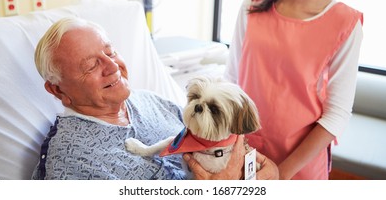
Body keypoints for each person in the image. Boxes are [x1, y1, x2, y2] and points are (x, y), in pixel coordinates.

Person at [31, 17, 278, 180]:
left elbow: (262, 167)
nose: (112, 66)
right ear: (58, 91)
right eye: (91, 66)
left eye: (110, 52)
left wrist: (270, 174)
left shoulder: (153, 102)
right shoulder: (70, 159)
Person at [225, 0, 363, 180]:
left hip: (300, 167)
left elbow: (337, 114)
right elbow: (231, 81)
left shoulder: (344, 23)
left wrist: (281, 173)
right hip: (243, 155)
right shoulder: (250, 8)